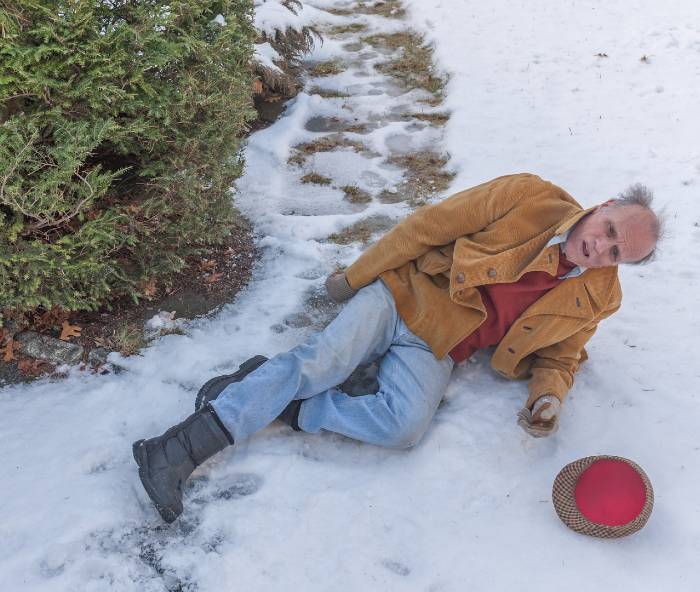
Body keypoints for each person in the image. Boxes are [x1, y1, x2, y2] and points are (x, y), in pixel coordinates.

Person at [132, 173, 662, 523]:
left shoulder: (598, 295)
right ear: (605, 205)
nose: (602, 246)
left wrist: (548, 396)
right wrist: (355, 276)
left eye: (617, 252)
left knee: (402, 429)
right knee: (322, 363)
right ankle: (173, 451)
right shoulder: (528, 196)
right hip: (403, 294)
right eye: (609, 228)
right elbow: (429, 225)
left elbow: (563, 356)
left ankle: (264, 396)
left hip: (440, 347)